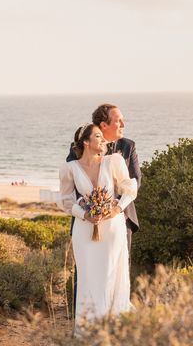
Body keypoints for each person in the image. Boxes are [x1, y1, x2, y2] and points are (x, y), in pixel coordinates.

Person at [60, 123, 137, 326]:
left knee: (110, 276)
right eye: (98, 136)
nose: (104, 140)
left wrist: (117, 209)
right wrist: (85, 214)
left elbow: (130, 187)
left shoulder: (114, 161)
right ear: (86, 142)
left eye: (103, 137)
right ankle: (89, 331)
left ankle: (112, 329)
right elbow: (66, 201)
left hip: (112, 229)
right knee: (87, 278)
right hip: (84, 231)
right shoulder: (70, 168)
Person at [66, 104, 141, 253]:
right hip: (87, 220)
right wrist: (90, 208)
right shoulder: (79, 147)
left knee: (118, 269)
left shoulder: (128, 146)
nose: (123, 125)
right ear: (104, 125)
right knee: (86, 271)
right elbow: (71, 182)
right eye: (118, 121)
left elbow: (136, 180)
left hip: (121, 218)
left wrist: (114, 206)